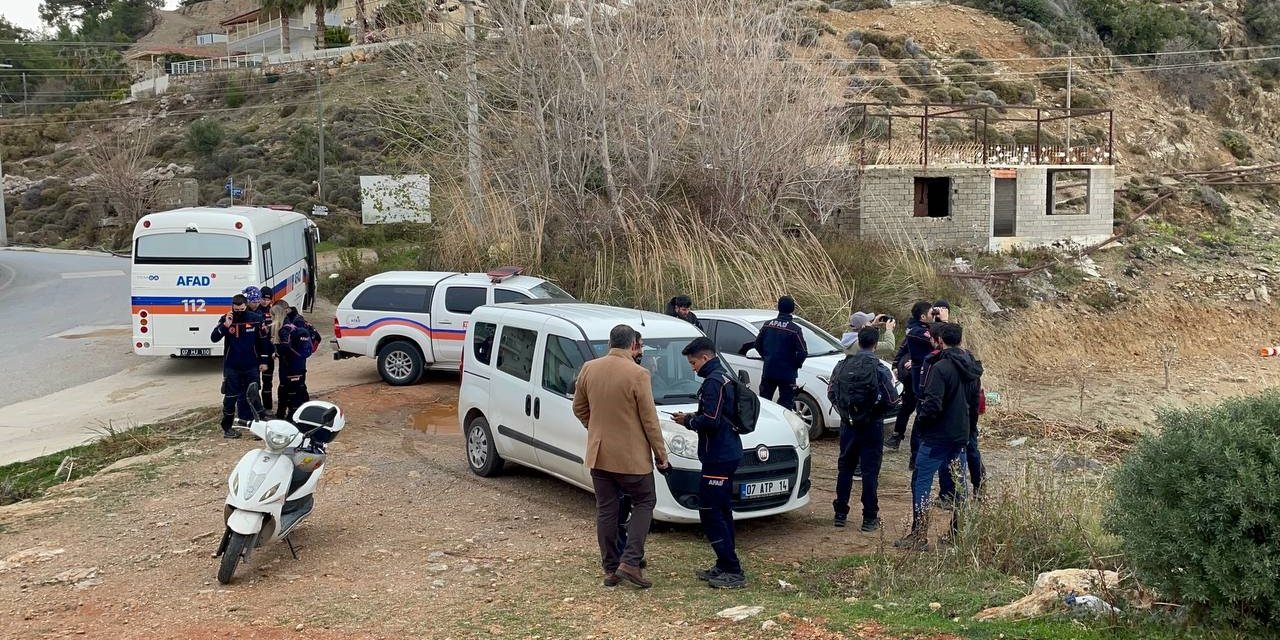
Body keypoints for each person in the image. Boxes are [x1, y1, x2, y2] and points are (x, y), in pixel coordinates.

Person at [572, 325, 669, 589]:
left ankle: (611, 568)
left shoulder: (589, 368)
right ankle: (631, 561)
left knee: (606, 509)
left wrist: (596, 429)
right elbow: (650, 421)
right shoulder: (638, 374)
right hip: (631, 457)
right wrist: (661, 454)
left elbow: (578, 407)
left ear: (610, 342)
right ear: (635, 345)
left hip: (599, 453)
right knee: (645, 501)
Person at [895, 322, 983, 551]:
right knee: (959, 483)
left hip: (937, 435)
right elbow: (974, 405)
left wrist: (923, 422)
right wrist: (970, 430)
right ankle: (957, 534)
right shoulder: (972, 368)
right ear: (960, 340)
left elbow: (932, 404)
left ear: (940, 340)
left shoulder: (940, 367)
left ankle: (919, 534)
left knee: (921, 481)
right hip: (961, 434)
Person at [672, 337, 746, 589]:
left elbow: (712, 421)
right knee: (722, 510)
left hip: (719, 456)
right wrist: (693, 416)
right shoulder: (723, 377)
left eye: (693, 363)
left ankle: (732, 569)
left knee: (711, 512)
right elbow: (716, 415)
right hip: (724, 453)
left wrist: (688, 422)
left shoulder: (714, 382)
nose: (693, 368)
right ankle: (724, 564)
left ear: (705, 358)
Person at [829, 326, 900, 532]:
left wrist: (845, 412)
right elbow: (892, 399)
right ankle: (869, 517)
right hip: (872, 425)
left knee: (845, 468)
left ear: (858, 342)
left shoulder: (842, 365)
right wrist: (875, 410)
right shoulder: (879, 369)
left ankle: (840, 513)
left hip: (848, 425)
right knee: (870, 472)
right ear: (876, 345)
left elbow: (831, 391)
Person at [210, 294, 267, 438]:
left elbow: (263, 341)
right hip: (232, 366)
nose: (238, 312)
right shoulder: (226, 319)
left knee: (254, 396)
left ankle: (259, 428)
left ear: (246, 306)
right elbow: (214, 337)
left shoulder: (255, 319)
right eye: (236, 309)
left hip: (251, 365)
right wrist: (225, 325)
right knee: (230, 398)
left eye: (241, 309)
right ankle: (227, 428)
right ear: (232, 307)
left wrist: (264, 361)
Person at [886, 301, 936, 461]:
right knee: (910, 406)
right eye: (932, 313)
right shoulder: (917, 331)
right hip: (916, 376)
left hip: (917, 373)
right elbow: (905, 347)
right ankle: (899, 438)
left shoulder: (919, 329)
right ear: (923, 316)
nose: (934, 315)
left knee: (910, 407)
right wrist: (897, 363)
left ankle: (898, 437)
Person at [753, 296, 807, 410]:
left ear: (778, 307)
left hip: (769, 370)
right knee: (786, 406)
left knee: (764, 404)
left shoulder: (767, 325)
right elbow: (802, 352)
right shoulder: (794, 329)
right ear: (792, 309)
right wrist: (795, 364)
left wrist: (766, 357)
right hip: (787, 373)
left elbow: (757, 344)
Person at [273, 301, 318, 421]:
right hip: (290, 362)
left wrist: (281, 352)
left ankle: (295, 415)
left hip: (294, 362)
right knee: (286, 387)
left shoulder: (295, 322)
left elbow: (291, 345)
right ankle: (282, 413)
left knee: (296, 389)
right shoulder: (288, 322)